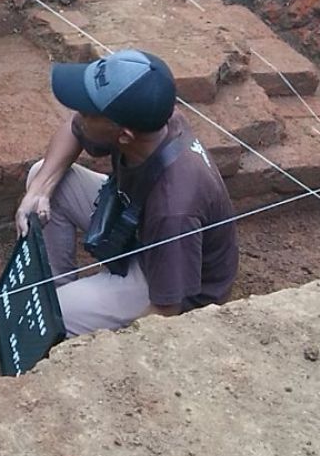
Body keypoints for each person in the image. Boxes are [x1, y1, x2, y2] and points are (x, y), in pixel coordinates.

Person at [14, 49, 239, 336]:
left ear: (123, 136)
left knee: (57, 313)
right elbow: (73, 130)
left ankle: (64, 314)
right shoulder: (152, 117)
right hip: (137, 223)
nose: (77, 116)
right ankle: (57, 289)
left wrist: (117, 347)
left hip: (166, 280)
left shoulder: (175, 208)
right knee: (42, 176)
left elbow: (167, 313)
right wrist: (38, 190)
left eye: (86, 112)